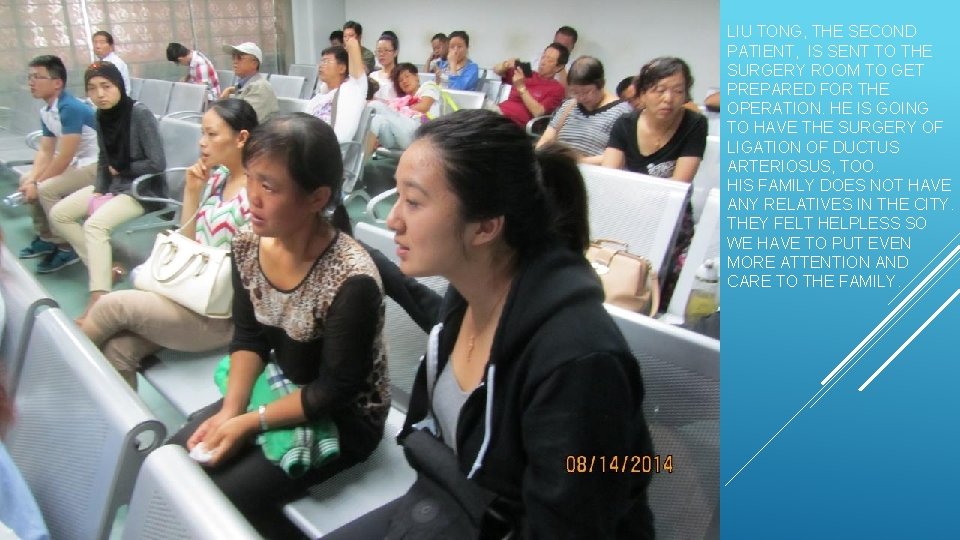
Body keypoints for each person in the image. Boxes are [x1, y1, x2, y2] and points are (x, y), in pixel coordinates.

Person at [326, 110, 654, 538]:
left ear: (485, 227)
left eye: (414, 201)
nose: (393, 219)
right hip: (458, 503)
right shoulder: (474, 292)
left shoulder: (579, 362)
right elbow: (434, 314)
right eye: (397, 196)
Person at [168, 113, 389, 536]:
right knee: (176, 461)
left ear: (315, 197)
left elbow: (335, 391)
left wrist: (247, 422)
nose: (252, 197)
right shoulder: (248, 244)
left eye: (269, 186)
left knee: (217, 500)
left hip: (344, 417)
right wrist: (232, 409)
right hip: (283, 385)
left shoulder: (350, 280)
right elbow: (249, 337)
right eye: (251, 178)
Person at [81, 100, 258, 388]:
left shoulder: (255, 196)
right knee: (117, 352)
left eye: (212, 135)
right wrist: (191, 192)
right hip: (190, 292)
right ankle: (131, 431)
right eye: (203, 133)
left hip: (219, 315)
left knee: (111, 305)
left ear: (241, 138)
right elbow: (190, 243)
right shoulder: (219, 177)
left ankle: (62, 372)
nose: (202, 143)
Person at [49, 62, 166, 322]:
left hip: (142, 190)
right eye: (92, 89)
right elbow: (104, 157)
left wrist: (122, 168)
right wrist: (100, 190)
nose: (100, 94)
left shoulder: (139, 114)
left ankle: (98, 298)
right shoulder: (101, 115)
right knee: (60, 214)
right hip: (114, 185)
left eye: (106, 86)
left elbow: (157, 163)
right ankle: (102, 267)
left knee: (94, 226)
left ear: (119, 86)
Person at [602, 57, 707, 306]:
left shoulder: (695, 124)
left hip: (672, 213)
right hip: (628, 206)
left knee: (669, 267)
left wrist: (638, 195)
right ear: (642, 94)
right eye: (659, 90)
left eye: (678, 91)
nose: (668, 99)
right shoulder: (625, 124)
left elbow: (679, 185)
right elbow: (610, 178)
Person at [16, 55, 99, 274]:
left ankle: (66, 245)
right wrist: (32, 179)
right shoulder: (46, 111)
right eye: (30, 77)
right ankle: (47, 237)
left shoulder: (70, 108)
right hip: (77, 162)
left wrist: (38, 183)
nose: (31, 82)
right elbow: (46, 150)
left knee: (46, 189)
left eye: (38, 77)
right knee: (26, 179)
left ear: (57, 83)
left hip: (96, 164)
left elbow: (64, 156)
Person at [536, 56, 632, 164]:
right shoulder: (569, 106)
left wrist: (580, 161)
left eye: (586, 92)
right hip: (561, 167)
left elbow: (621, 156)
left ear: (602, 84)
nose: (581, 97)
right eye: (575, 92)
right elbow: (546, 139)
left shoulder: (622, 113)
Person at [306, 37, 368, 143]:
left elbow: (353, 46)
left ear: (342, 68)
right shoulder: (320, 96)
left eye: (327, 62)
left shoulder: (352, 90)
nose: (321, 66)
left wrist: (350, 42)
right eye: (321, 61)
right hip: (309, 142)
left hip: (329, 148)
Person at [367, 63, 440, 150]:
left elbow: (424, 106)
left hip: (421, 134)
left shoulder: (428, 86)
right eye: (400, 80)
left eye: (407, 76)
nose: (404, 81)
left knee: (374, 105)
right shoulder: (402, 100)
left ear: (416, 76)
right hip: (399, 138)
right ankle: (359, 160)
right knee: (376, 120)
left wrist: (397, 109)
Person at [496, 43, 569, 127]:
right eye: (543, 57)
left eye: (549, 60)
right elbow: (497, 70)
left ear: (558, 67)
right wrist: (506, 64)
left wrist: (521, 87)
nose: (543, 62)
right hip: (499, 112)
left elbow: (538, 113)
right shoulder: (527, 73)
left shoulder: (557, 89)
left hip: (514, 123)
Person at [219, 42, 278, 122]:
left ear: (254, 64)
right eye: (233, 57)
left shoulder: (260, 87)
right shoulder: (242, 85)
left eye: (240, 58)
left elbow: (245, 121)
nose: (235, 61)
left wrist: (224, 103)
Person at [370, 33, 400, 101]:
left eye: (386, 50)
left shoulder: (400, 75)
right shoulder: (372, 76)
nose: (382, 54)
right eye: (379, 51)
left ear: (395, 52)